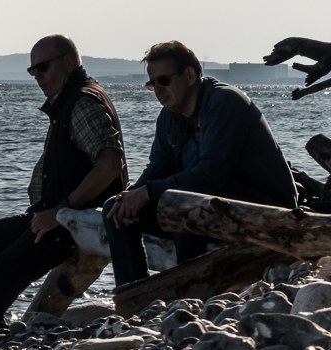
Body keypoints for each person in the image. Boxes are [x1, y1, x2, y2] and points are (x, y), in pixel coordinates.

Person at [0, 35, 125, 326]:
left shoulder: (83, 102)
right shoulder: (67, 101)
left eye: (42, 67)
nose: (37, 76)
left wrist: (62, 210)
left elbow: (111, 164)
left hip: (68, 226)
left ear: (68, 62)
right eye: (32, 71)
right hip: (49, 216)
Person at [104, 41, 297, 285]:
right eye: (152, 84)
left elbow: (210, 175)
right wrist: (130, 197)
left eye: (164, 80)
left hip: (269, 209)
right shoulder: (169, 117)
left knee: (184, 203)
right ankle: (132, 296)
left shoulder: (224, 102)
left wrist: (149, 192)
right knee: (114, 210)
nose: (158, 90)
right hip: (216, 203)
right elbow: (156, 169)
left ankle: (190, 294)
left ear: (190, 75)